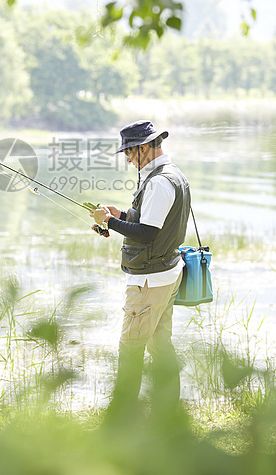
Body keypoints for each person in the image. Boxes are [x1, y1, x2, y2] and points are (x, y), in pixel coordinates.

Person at [90, 120, 190, 408]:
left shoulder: (159, 182)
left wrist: (108, 222)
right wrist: (118, 213)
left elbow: (148, 234)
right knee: (160, 345)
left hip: (149, 281)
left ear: (144, 148)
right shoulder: (170, 175)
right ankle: (169, 410)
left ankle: (121, 415)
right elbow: (150, 221)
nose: (128, 159)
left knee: (130, 348)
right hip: (166, 276)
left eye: (129, 153)